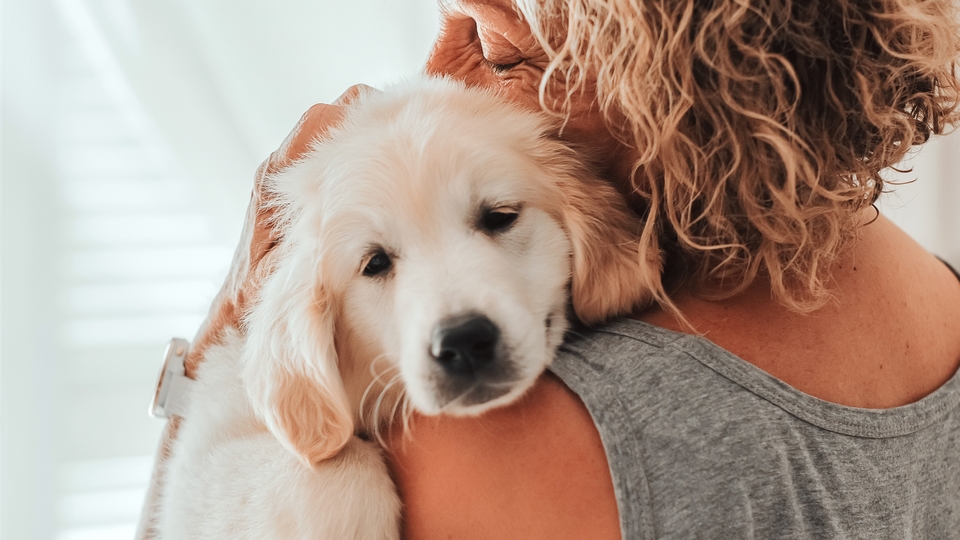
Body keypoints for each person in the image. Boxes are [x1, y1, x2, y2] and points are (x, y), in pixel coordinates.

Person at [138, 0, 960, 538]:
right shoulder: (940, 291)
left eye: (499, 50)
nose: (441, 67)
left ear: (666, 73)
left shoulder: (510, 440)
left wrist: (227, 327)